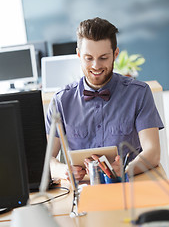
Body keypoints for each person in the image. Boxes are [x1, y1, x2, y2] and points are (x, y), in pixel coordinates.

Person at [46, 17, 164, 181]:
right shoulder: (61, 100)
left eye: (103, 57)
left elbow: (153, 152)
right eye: (88, 58)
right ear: (79, 55)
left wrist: (126, 169)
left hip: (130, 184)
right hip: (83, 189)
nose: (95, 66)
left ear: (115, 54)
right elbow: (46, 161)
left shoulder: (139, 93)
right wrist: (64, 171)